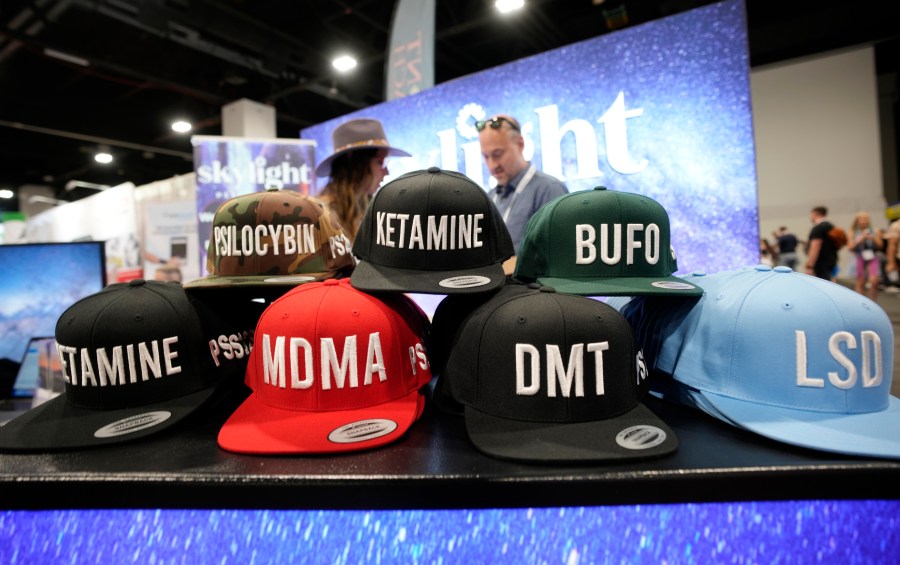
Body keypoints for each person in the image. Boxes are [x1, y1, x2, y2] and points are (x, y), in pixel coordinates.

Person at [478, 114, 568, 257]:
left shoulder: (549, 190)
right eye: (486, 156)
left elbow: (559, 255)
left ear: (520, 145)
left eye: (497, 154)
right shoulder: (489, 198)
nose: (492, 165)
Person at [314, 118, 411, 243]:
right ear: (356, 164)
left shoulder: (368, 211)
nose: (387, 172)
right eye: (381, 162)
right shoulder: (320, 216)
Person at [849, 211, 883, 300]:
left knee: (874, 281)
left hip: (872, 257)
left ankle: (873, 302)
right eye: (862, 220)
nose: (864, 222)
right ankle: (860, 302)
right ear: (857, 221)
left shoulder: (875, 231)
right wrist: (861, 238)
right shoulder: (853, 232)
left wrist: (872, 237)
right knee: (860, 281)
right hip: (859, 257)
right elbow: (850, 247)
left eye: (866, 219)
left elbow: (880, 245)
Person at [804, 205, 838, 281]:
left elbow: (815, 247)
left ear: (815, 214)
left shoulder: (818, 228)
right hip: (832, 260)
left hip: (821, 263)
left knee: (823, 283)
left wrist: (810, 265)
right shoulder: (831, 226)